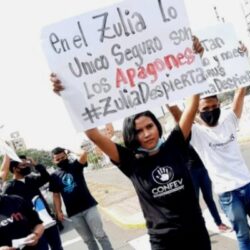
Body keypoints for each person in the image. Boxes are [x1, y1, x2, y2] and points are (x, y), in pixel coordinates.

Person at [50, 37, 211, 250]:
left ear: (157, 126)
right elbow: (94, 135)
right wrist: (68, 95)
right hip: (164, 242)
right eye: (138, 131)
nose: (146, 134)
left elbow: (191, 106)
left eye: (149, 127)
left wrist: (196, 60)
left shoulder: (175, 145)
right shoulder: (129, 161)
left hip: (197, 235)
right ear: (131, 136)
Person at [168, 89, 250, 250]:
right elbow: (178, 115)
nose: (211, 111)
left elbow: (239, 93)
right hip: (229, 195)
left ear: (219, 105)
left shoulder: (230, 121)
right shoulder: (196, 133)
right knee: (243, 236)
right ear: (197, 112)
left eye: (214, 106)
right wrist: (166, 98)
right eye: (205, 109)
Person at [49, 147, 113, 250]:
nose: (61, 160)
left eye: (63, 157)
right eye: (58, 159)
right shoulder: (54, 176)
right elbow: (56, 195)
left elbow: (84, 153)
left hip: (89, 207)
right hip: (73, 213)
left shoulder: (75, 166)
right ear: (53, 161)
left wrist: (70, 150)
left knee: (100, 235)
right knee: (88, 240)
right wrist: (58, 211)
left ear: (66, 156)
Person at [1, 155, 63, 250]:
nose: (26, 166)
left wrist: (35, 164)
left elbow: (46, 177)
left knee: (58, 247)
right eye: (23, 165)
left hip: (47, 222)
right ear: (15, 169)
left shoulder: (32, 179)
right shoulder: (9, 187)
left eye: (27, 164)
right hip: (32, 228)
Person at [187, 145, 230, 232]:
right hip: (191, 171)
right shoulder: (181, 137)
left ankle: (219, 223)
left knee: (209, 198)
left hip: (203, 169)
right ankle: (199, 227)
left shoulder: (197, 134)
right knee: (195, 202)